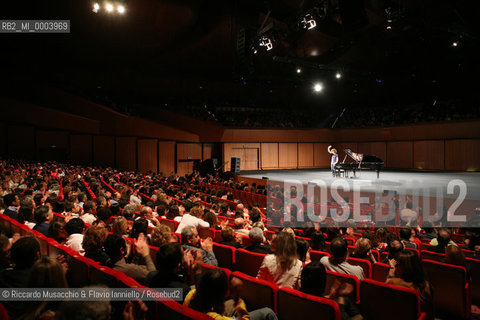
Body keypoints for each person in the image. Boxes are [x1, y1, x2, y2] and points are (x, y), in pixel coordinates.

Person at [185, 268, 278, 320]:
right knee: (268, 312)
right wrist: (237, 299)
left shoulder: (191, 294)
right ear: (221, 295)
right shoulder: (214, 318)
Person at [386, 250, 433, 319]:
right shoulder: (426, 286)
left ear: (403, 268)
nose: (396, 268)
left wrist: (391, 270)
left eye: (398, 265)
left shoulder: (393, 283)